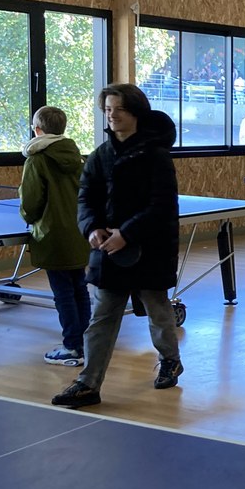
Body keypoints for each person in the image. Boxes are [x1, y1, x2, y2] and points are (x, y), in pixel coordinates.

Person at [52, 83, 182, 409]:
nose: (111, 115)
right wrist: (91, 228)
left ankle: (170, 360)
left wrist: (127, 233)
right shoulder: (101, 155)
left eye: (119, 109)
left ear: (135, 113)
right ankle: (88, 383)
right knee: (102, 318)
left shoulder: (157, 156)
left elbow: (162, 206)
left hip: (149, 249)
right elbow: (85, 198)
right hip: (109, 252)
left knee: (157, 309)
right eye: (108, 110)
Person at [19, 106, 91, 367]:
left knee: (63, 292)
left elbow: (31, 201)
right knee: (79, 287)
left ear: (37, 129)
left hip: (52, 235)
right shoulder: (79, 158)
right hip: (80, 232)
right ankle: (86, 342)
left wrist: (28, 218)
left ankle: (72, 346)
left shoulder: (36, 160)